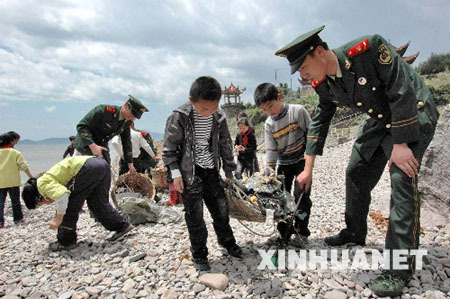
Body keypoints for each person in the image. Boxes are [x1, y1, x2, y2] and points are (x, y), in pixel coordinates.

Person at [275, 25, 439, 297]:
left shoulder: (368, 48)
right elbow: (320, 120)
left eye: (303, 66)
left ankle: (400, 267)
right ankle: (354, 232)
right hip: (379, 118)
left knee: (401, 178)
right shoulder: (323, 84)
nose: (301, 74)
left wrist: (400, 144)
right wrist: (308, 169)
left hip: (413, 111)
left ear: (319, 51)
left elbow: (401, 88)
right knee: (356, 171)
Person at [162, 76, 243, 271]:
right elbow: (169, 148)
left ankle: (227, 242)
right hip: (189, 174)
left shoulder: (219, 116)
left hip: (211, 170)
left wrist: (229, 170)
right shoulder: (180, 116)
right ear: (192, 101)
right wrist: (176, 174)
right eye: (204, 109)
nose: (209, 113)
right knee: (195, 217)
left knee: (221, 210)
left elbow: (225, 143)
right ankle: (199, 254)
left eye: (214, 108)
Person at [21, 156, 133, 251]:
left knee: (69, 205)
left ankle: (66, 241)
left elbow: (63, 195)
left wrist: (58, 219)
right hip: (101, 164)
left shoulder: (42, 185)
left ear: (37, 198)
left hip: (87, 168)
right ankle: (122, 226)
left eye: (42, 204)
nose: (47, 203)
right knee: (97, 202)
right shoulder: (46, 179)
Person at [254, 83, 312, 245]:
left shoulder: (297, 111)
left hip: (301, 161)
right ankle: (285, 233)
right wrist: (269, 172)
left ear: (279, 97)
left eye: (270, 106)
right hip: (284, 164)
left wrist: (309, 165)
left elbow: (311, 135)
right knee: (281, 199)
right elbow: (271, 150)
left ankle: (302, 232)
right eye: (264, 110)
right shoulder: (269, 124)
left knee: (302, 198)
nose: (269, 112)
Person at [74, 95, 148, 170]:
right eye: (132, 114)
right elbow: (82, 126)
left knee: (106, 172)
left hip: (102, 147)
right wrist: (93, 146)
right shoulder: (103, 110)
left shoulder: (127, 122)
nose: (132, 118)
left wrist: (130, 164)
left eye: (135, 117)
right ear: (126, 106)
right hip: (85, 145)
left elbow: (126, 142)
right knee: (83, 174)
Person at [0, 132, 33, 228]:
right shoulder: (15, 153)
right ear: (10, 141)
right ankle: (18, 218)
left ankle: (0, 222)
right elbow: (23, 166)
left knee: (0, 202)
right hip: (13, 181)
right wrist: (31, 177)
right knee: (15, 201)